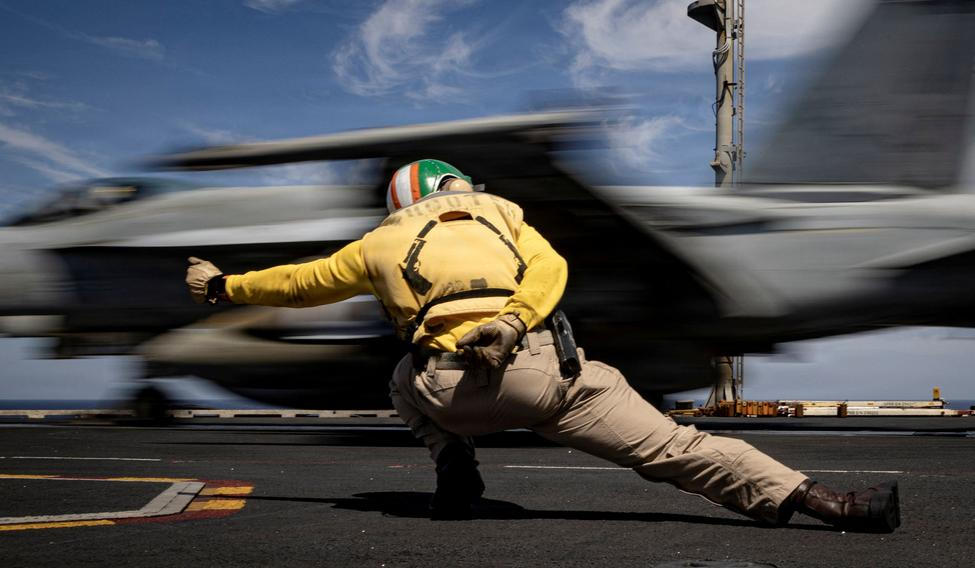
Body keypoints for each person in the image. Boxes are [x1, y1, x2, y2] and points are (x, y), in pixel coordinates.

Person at [185, 158, 900, 531]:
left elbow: (295, 284)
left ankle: (451, 466)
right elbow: (553, 269)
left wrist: (221, 287)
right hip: (546, 375)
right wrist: (511, 320)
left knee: (401, 380)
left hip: (448, 389)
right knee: (678, 449)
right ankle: (830, 505)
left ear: (403, 202)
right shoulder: (502, 212)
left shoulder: (378, 239)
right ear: (458, 187)